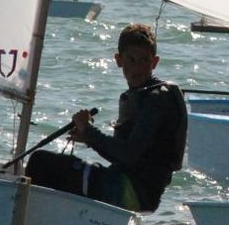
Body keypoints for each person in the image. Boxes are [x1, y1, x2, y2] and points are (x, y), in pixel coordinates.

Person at [24, 23, 187, 213]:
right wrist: (89, 138)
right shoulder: (140, 96)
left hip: (131, 192)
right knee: (48, 164)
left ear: (155, 62)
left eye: (144, 60)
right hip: (129, 188)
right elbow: (123, 156)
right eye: (131, 59)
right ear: (118, 60)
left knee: (40, 162)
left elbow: (129, 155)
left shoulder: (157, 98)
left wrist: (89, 130)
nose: (137, 67)